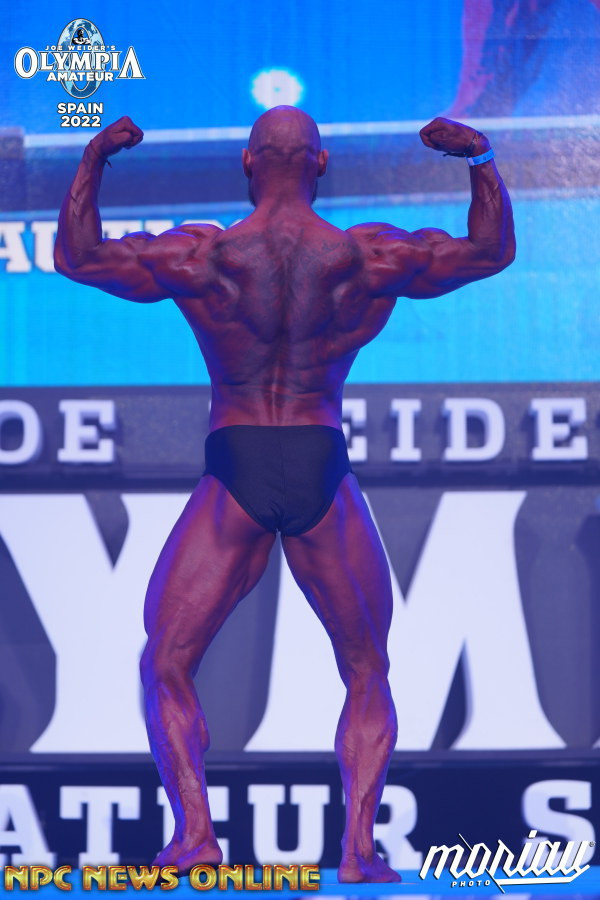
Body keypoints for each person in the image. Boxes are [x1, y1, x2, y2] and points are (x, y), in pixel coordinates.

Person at [54, 107, 515, 882]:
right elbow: (489, 251)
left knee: (166, 660)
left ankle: (196, 836)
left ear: (246, 162)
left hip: (234, 460)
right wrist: (480, 159)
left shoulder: (202, 254)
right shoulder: (367, 255)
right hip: (318, 458)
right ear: (321, 163)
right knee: (366, 667)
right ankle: (359, 851)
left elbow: (79, 257)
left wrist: (95, 158)